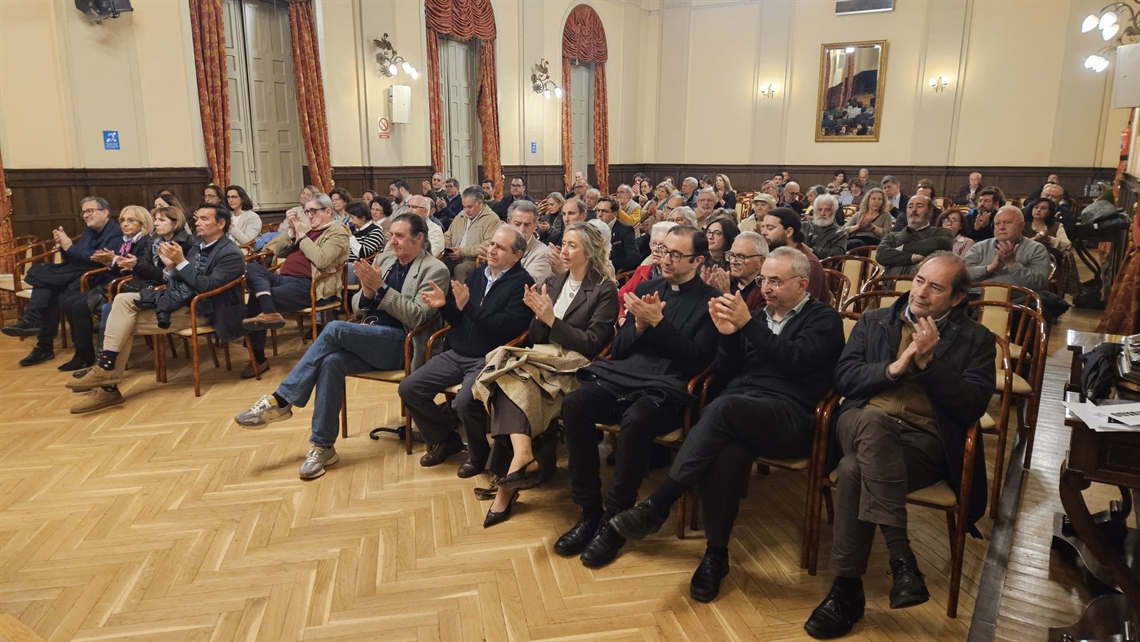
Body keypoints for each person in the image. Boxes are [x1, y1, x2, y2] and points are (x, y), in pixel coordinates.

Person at [610, 247, 845, 602]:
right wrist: (729, 336)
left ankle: (659, 503)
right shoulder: (756, 316)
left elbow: (795, 361)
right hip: (741, 412)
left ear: (802, 284)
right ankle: (716, 555)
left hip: (792, 417)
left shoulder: (823, 318)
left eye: (776, 281)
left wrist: (748, 326)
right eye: (764, 280)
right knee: (727, 453)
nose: (766, 288)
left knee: (724, 408)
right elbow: (725, 373)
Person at [804, 253, 994, 639]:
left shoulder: (976, 339)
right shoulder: (876, 320)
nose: (920, 292)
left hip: (923, 442)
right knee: (874, 423)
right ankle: (901, 555)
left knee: (854, 470)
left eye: (935, 287)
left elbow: (972, 405)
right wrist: (893, 368)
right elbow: (844, 378)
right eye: (919, 280)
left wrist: (929, 364)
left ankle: (846, 590)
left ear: (958, 298)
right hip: (860, 422)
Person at [234, 214, 450, 479]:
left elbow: (417, 317)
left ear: (419, 238)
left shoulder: (434, 270)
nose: (392, 241)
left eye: (400, 236)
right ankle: (322, 446)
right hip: (370, 336)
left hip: (402, 344)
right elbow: (357, 306)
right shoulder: (385, 260)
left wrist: (381, 288)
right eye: (391, 235)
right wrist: (368, 292)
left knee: (335, 328)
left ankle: (281, 400)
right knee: (331, 362)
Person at [555, 225, 721, 568]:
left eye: (676, 255)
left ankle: (615, 521)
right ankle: (589, 510)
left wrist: (660, 324)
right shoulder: (647, 288)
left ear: (698, 260)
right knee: (574, 405)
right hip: (626, 376)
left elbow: (697, 363)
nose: (666, 260)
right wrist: (641, 326)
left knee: (637, 418)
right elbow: (618, 349)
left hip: (669, 386)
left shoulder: (709, 302)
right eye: (663, 251)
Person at [475, 221, 620, 527]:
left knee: (511, 386)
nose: (563, 250)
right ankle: (523, 456)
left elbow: (593, 343)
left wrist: (552, 320)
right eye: (563, 243)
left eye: (571, 245)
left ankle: (506, 488)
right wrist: (539, 317)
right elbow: (537, 336)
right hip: (544, 356)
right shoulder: (554, 282)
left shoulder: (604, 289)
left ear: (589, 252)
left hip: (575, 364)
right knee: (503, 379)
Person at [66, 203, 247, 412]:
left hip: (205, 310)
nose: (197, 222)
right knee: (122, 301)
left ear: (221, 224)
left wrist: (180, 262)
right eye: (198, 218)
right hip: (181, 302)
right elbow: (179, 279)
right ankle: (105, 371)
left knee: (124, 324)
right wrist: (171, 267)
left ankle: (107, 385)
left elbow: (207, 287)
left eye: (204, 219)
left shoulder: (231, 253)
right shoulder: (199, 245)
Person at [398, 225, 535, 477]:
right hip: (457, 352)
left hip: (489, 357)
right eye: (491, 244)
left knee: (464, 401)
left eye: (500, 247)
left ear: (517, 255)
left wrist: (469, 307)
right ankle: (446, 440)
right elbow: (461, 320)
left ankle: (478, 454)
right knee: (409, 388)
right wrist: (444, 306)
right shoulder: (478, 274)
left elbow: (507, 328)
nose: (491, 250)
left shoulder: (523, 284)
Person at [3, 196, 123, 368]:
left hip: (97, 277)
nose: (86, 215)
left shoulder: (116, 233)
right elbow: (76, 256)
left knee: (48, 284)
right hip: (78, 271)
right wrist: (64, 246)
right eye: (83, 212)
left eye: (90, 211)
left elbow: (98, 259)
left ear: (105, 212)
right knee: (45, 281)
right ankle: (41, 336)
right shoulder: (88, 231)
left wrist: (69, 247)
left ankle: (40, 337)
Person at [241, 193, 350, 377]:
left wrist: (301, 234)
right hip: (284, 278)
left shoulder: (338, 232)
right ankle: (269, 311)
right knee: (251, 268)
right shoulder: (306, 231)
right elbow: (278, 251)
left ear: (328, 211)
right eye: (307, 212)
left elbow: (321, 260)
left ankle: (258, 358)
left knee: (257, 297)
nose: (310, 216)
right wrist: (291, 231)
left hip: (311, 285)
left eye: (314, 211)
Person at [964, 206, 1051, 294]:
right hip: (977, 297)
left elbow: (1039, 283)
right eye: (997, 223)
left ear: (1021, 226)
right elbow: (962, 277)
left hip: (1019, 299)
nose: (1001, 227)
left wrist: (1012, 264)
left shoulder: (1037, 249)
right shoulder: (979, 247)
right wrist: (989, 268)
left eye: (1007, 222)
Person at [758, 208, 831, 306]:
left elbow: (808, 307)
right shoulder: (771, 256)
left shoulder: (809, 264)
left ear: (789, 232)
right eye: (763, 227)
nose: (763, 232)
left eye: (770, 228)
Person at [876, 195, 953, 276]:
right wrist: (912, 257)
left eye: (919, 206)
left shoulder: (942, 233)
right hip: (892, 282)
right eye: (910, 207)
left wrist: (904, 248)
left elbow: (942, 243)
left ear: (930, 211)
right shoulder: (892, 237)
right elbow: (881, 255)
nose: (914, 210)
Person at [618, 221, 678, 316]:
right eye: (654, 243)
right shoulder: (642, 271)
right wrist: (621, 318)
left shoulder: (678, 277)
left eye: (662, 245)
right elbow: (620, 298)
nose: (655, 249)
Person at [443, 186, 500, 282]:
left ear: (480, 203)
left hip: (474, 259)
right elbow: (448, 234)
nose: (466, 211)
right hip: (453, 256)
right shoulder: (461, 216)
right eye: (464, 207)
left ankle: (462, 292)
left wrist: (463, 251)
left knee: (460, 269)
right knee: (438, 266)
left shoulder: (492, 219)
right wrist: (446, 243)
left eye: (470, 207)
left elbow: (488, 245)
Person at [702, 230, 768, 311]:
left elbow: (748, 318)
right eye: (731, 255)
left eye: (741, 257)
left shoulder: (766, 290)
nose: (733, 261)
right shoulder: (724, 280)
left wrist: (726, 295)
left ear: (761, 261)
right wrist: (706, 290)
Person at [1024, 197, 1078, 296]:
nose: (1038, 210)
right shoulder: (1023, 226)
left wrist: (1048, 238)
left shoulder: (1056, 226)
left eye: (1043, 208)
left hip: (1048, 260)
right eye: (1036, 207)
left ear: (1049, 213)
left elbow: (1067, 245)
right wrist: (1035, 238)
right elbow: (1018, 244)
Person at [505, 200, 553, 286]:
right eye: (517, 224)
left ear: (535, 225)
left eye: (527, 225)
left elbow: (525, 284)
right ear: (509, 222)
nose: (521, 230)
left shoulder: (543, 253)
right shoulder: (497, 245)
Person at [346, 201, 385, 285]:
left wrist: (350, 236)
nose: (350, 221)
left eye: (352, 217)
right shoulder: (354, 229)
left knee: (331, 272)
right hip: (346, 265)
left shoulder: (376, 231)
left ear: (363, 218)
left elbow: (363, 254)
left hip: (362, 270)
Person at [804, 195, 848, 260]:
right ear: (814, 211)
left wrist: (813, 251)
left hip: (823, 265)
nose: (822, 213)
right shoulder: (803, 226)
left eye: (827, 210)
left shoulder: (840, 233)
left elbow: (839, 252)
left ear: (834, 212)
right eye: (819, 209)